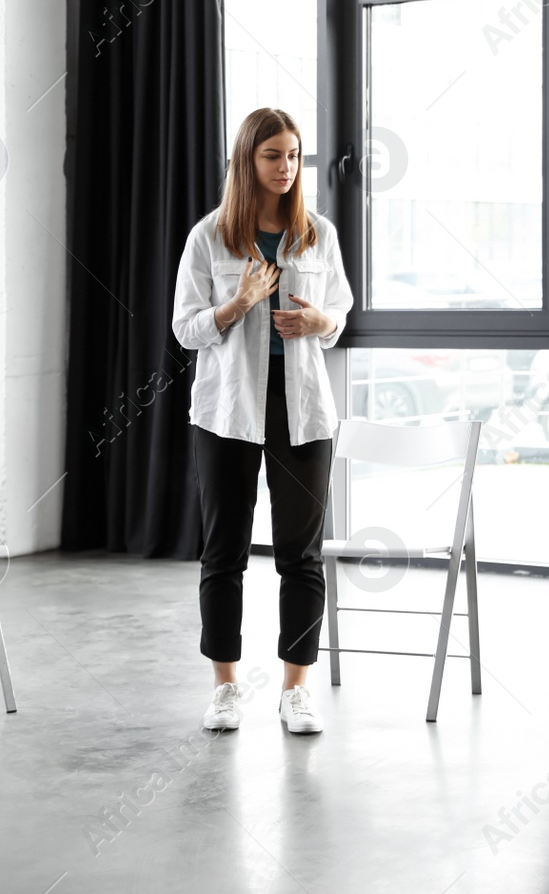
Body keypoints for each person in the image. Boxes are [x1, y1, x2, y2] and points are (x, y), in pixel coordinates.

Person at [172, 106, 354, 735]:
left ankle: (295, 689)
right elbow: (185, 328)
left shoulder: (317, 235)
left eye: (294, 155)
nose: (286, 168)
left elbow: (340, 314)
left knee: (300, 555)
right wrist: (238, 304)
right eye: (273, 156)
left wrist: (317, 322)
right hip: (227, 411)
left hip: (302, 410)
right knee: (223, 552)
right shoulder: (209, 237)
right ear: (247, 161)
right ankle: (224, 688)